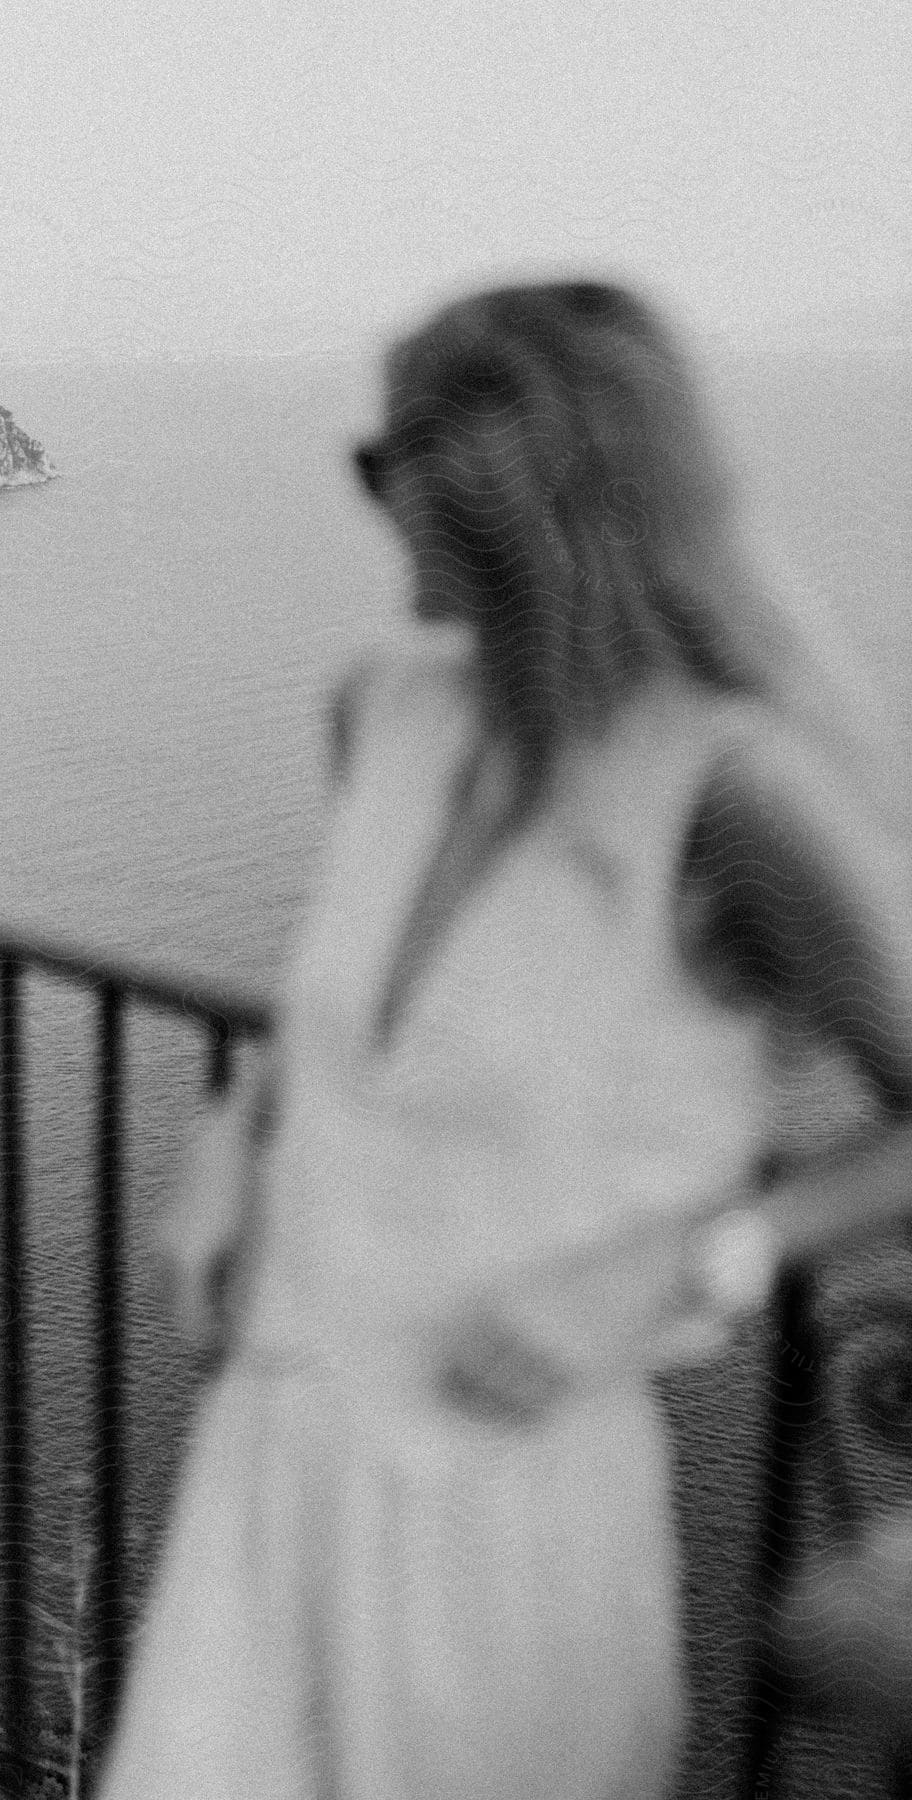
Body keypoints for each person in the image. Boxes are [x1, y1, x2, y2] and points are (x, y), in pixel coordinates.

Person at [99, 281, 912, 1800]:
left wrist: (683, 1267)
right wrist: (230, 1147)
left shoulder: (730, 785)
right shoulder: (382, 710)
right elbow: (346, 1028)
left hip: (505, 1486)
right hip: (277, 1444)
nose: (370, 504)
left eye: (377, 463)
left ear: (488, 487)